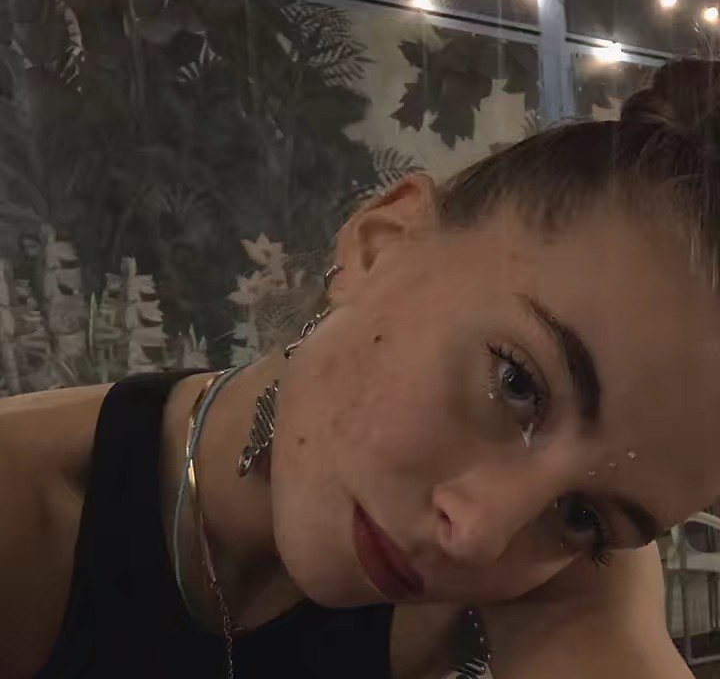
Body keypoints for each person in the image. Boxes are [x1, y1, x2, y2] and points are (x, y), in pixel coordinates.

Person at [2, 58, 720, 679]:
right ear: (382, 243)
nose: (480, 535)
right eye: (517, 384)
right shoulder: (24, 506)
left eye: (584, 517)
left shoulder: (554, 568)